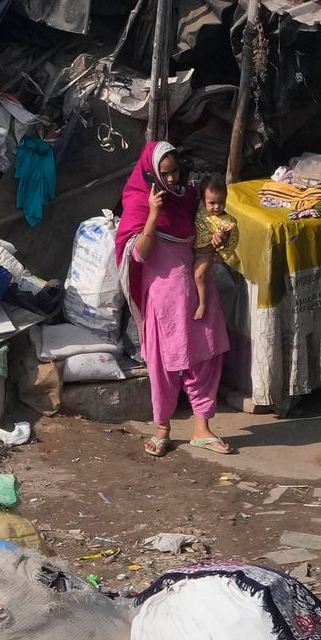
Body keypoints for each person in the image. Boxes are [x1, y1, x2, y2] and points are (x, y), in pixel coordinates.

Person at [119, 138, 232, 457]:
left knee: (206, 358)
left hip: (198, 293)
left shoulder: (187, 199)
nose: (171, 179)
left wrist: (217, 238)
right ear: (151, 171)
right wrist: (154, 215)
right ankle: (162, 429)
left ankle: (202, 428)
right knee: (164, 365)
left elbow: (200, 239)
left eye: (175, 172)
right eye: (165, 173)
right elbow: (138, 255)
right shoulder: (139, 202)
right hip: (164, 299)